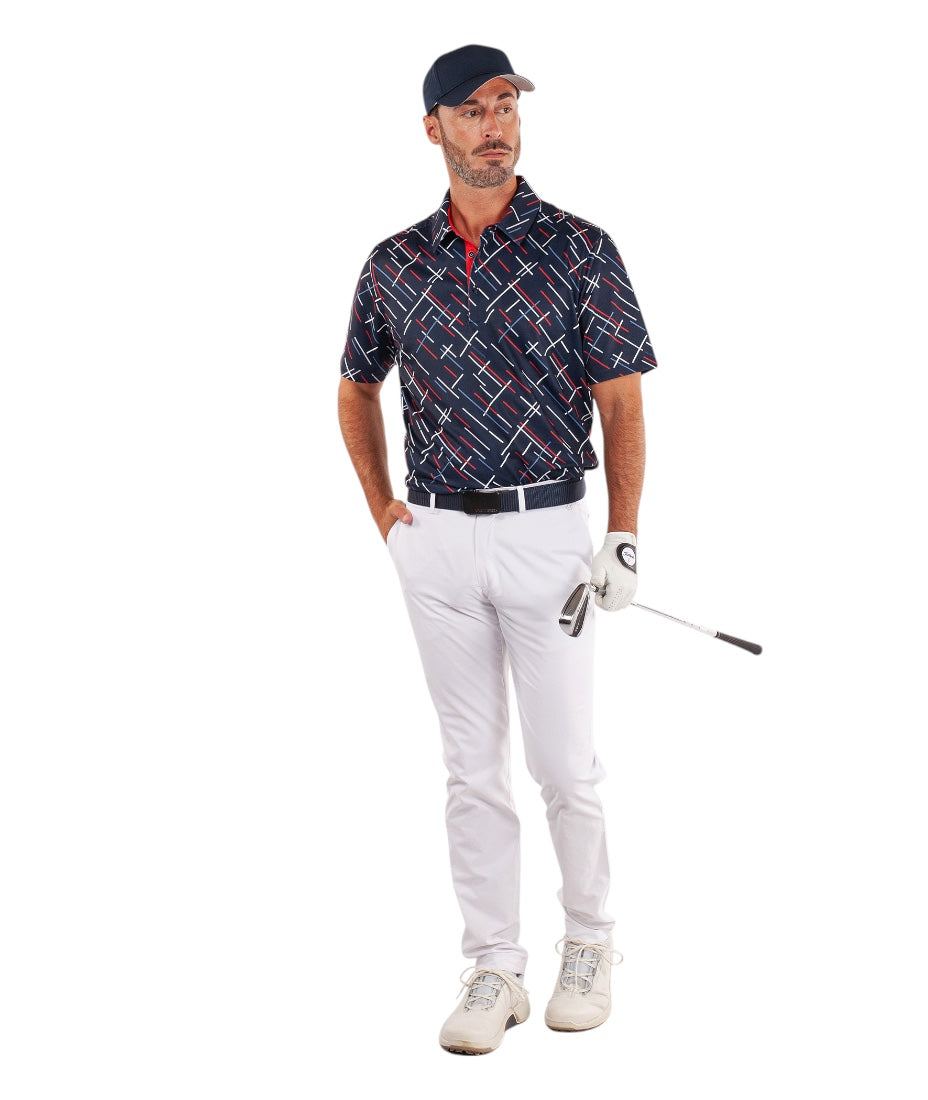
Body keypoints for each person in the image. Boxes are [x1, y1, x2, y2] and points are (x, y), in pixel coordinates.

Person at [337, 44, 656, 1055]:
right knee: (470, 769)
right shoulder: (395, 263)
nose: (495, 126)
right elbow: (355, 386)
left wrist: (622, 533)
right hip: (435, 540)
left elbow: (620, 400)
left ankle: (590, 943)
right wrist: (384, 510)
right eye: (472, 110)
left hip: (546, 532)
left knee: (564, 763)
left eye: (506, 104)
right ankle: (494, 967)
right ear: (433, 127)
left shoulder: (578, 248)